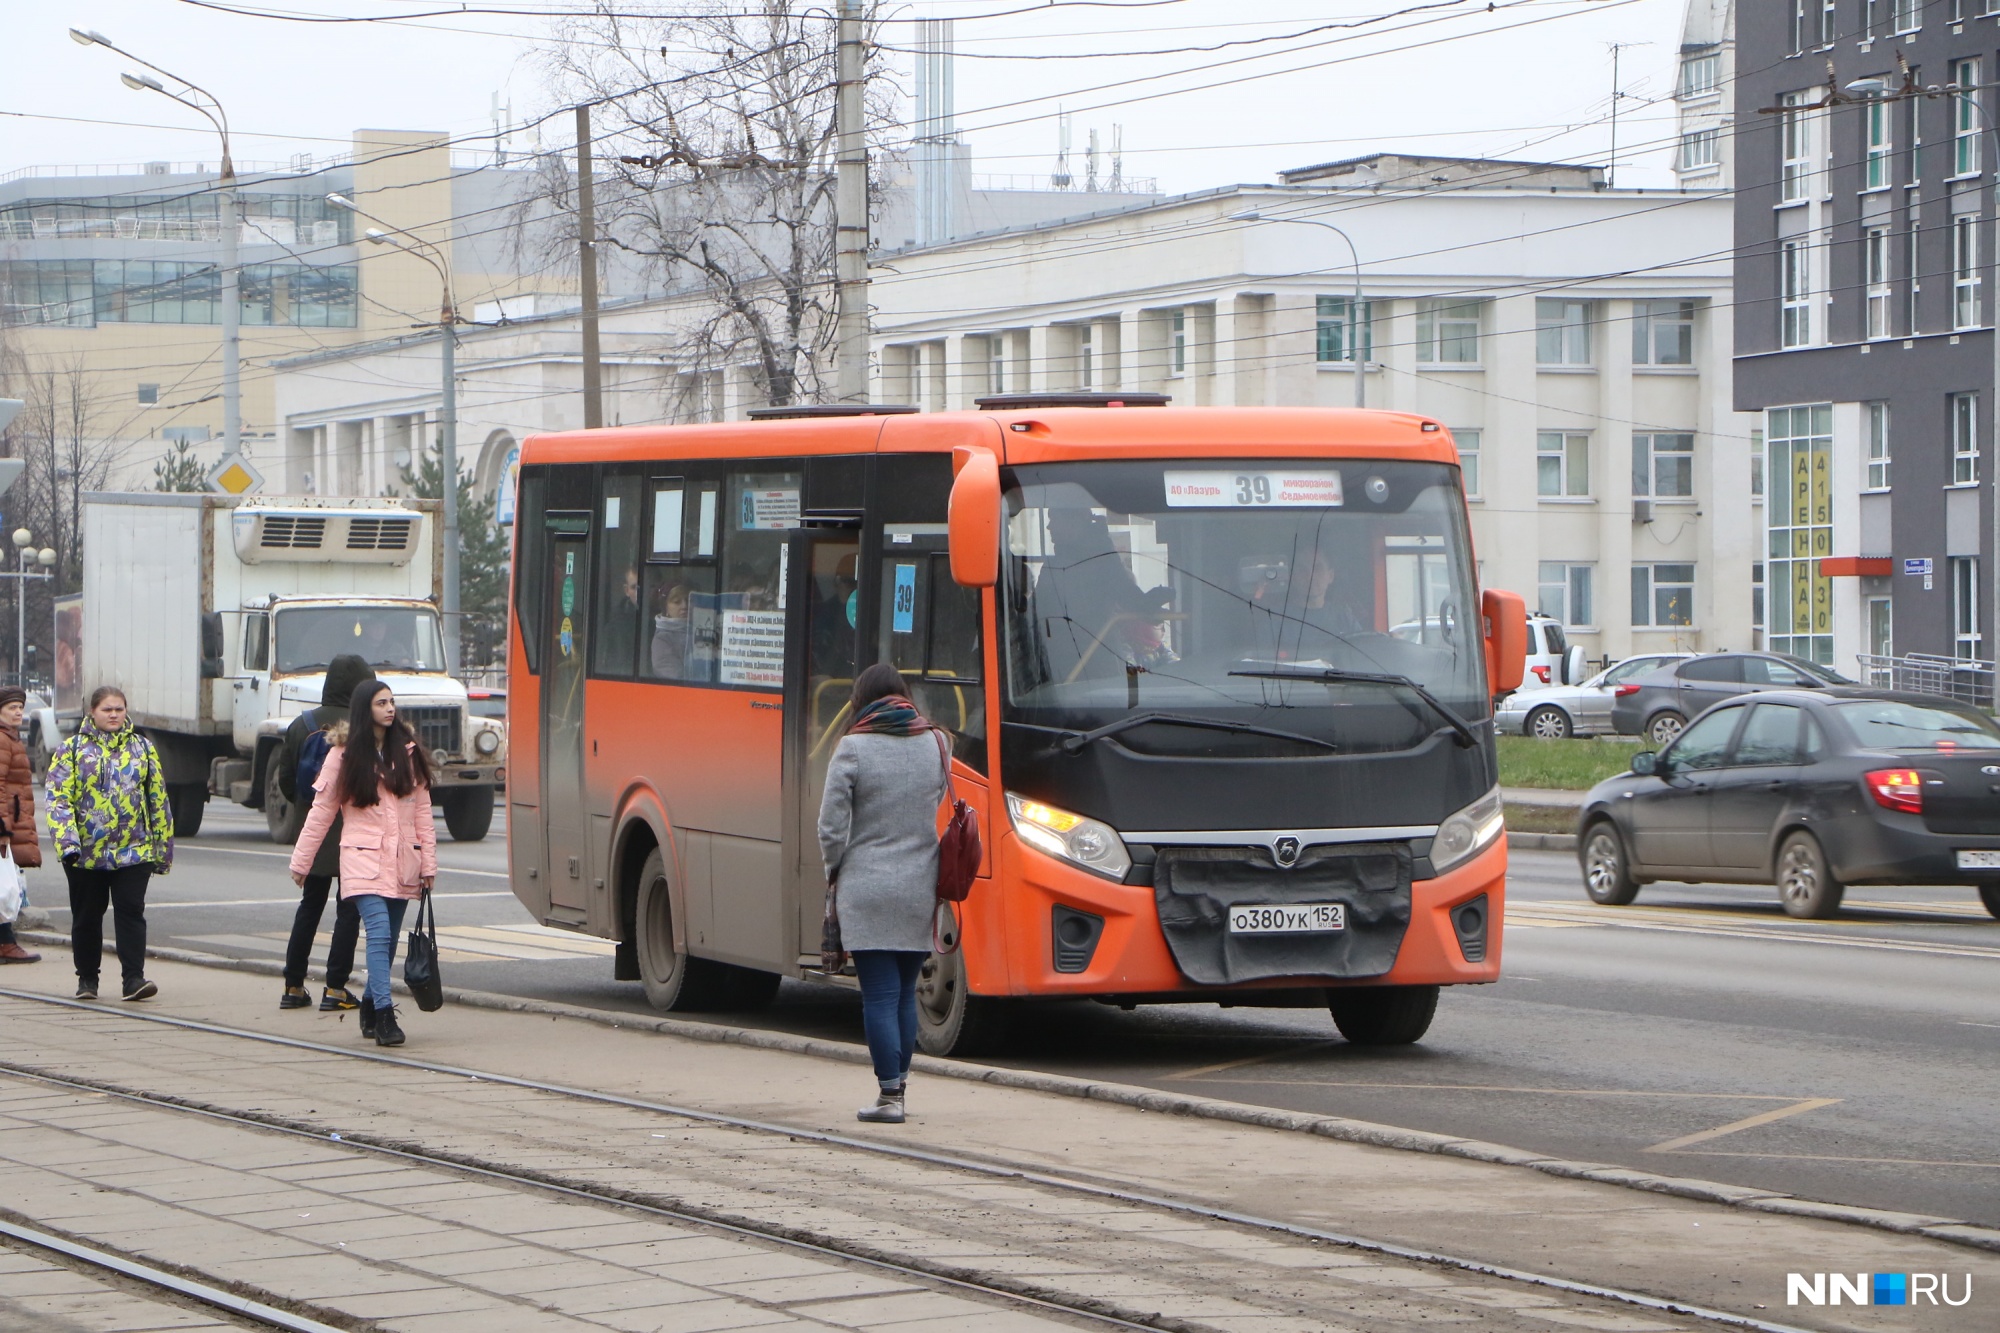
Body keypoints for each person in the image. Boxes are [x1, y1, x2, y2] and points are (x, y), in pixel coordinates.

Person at [817, 662, 949, 1125]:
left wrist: (835, 870)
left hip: (866, 886)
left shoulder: (852, 747)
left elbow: (830, 827)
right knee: (903, 993)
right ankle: (899, 1091)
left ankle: (888, 1096)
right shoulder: (937, 742)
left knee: (877, 993)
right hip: (920, 885)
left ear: (861, 700)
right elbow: (933, 807)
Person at [290, 680, 437, 1047]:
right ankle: (386, 1015)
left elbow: (422, 812)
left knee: (387, 944)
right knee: (379, 932)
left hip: (403, 861)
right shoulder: (342, 756)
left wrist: (428, 864)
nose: (389, 709)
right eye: (380, 703)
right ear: (363, 709)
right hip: (361, 860)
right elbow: (320, 812)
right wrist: (301, 861)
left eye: (391, 702)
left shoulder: (408, 751)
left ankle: (371, 1004)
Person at [46, 687, 172, 1001]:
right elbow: (58, 800)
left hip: (134, 851)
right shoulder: (71, 750)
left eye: (119, 709)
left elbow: (158, 800)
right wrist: (68, 844)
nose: (114, 715)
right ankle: (87, 979)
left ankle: (134, 979)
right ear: (92, 712)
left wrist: (162, 850)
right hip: (86, 855)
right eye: (107, 709)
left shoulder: (142, 748)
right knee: (88, 915)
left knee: (131, 911)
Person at [273, 654, 370, 1011]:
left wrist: (307, 812)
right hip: (352, 831)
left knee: (309, 907)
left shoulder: (303, 724)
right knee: (349, 910)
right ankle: (335, 988)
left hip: (312, 830)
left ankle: (293, 985)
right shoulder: (363, 726)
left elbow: (286, 781)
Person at [0, 685, 42, 964]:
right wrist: (2, 829)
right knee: (5, 888)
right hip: (5, 825)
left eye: (20, 707)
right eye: (12, 708)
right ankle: (6, 943)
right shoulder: (3, 740)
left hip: (10, 821)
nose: (18, 712)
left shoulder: (11, 738)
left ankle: (6, 941)